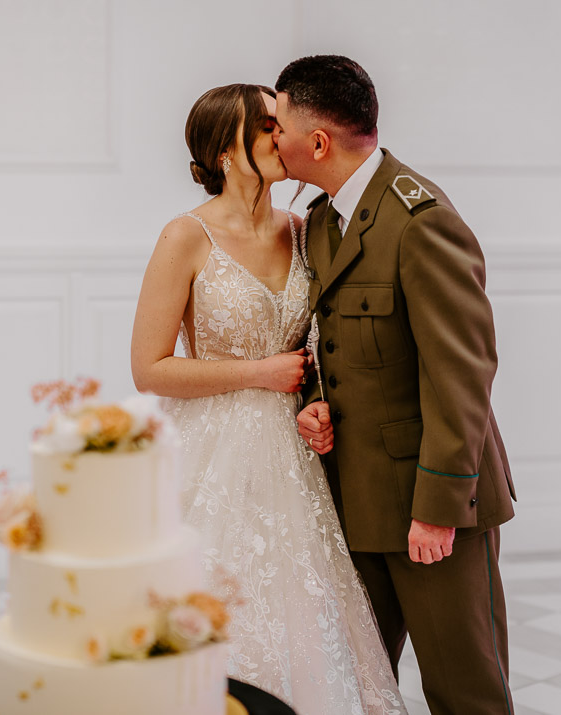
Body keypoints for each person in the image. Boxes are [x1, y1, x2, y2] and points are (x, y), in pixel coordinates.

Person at [131, 84, 406, 715]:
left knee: (303, 614)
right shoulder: (185, 236)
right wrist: (259, 372)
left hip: (297, 455)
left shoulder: (304, 230)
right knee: (214, 611)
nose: (280, 134)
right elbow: (149, 368)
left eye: (278, 121)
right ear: (224, 152)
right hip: (212, 453)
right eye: (264, 124)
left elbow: (325, 344)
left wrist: (313, 397)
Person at [273, 55, 517, 715]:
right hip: (356, 498)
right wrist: (312, 402)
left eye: (278, 126)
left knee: (463, 690)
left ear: (316, 142)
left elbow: (463, 373)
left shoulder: (419, 219)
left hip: (428, 503)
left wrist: (438, 506)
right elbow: (327, 340)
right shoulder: (320, 220)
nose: (272, 138)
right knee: (360, 688)